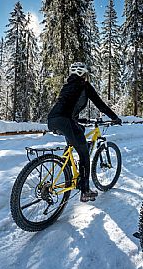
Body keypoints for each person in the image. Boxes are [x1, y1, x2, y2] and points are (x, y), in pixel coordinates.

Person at [48, 62, 122, 202]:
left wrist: (79, 119)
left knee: (76, 136)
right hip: (65, 120)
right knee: (84, 154)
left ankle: (68, 171)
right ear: (84, 74)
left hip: (52, 120)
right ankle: (85, 190)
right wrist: (115, 118)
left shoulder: (67, 86)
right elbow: (100, 105)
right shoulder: (84, 85)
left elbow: (67, 105)